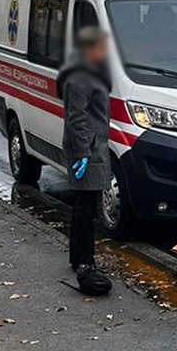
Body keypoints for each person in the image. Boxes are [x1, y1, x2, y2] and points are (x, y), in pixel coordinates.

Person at [56, 25, 114, 296]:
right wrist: (82, 153)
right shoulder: (80, 76)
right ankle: (83, 259)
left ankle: (80, 257)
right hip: (88, 150)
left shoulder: (89, 72)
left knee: (86, 205)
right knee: (85, 206)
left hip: (92, 147)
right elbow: (76, 117)